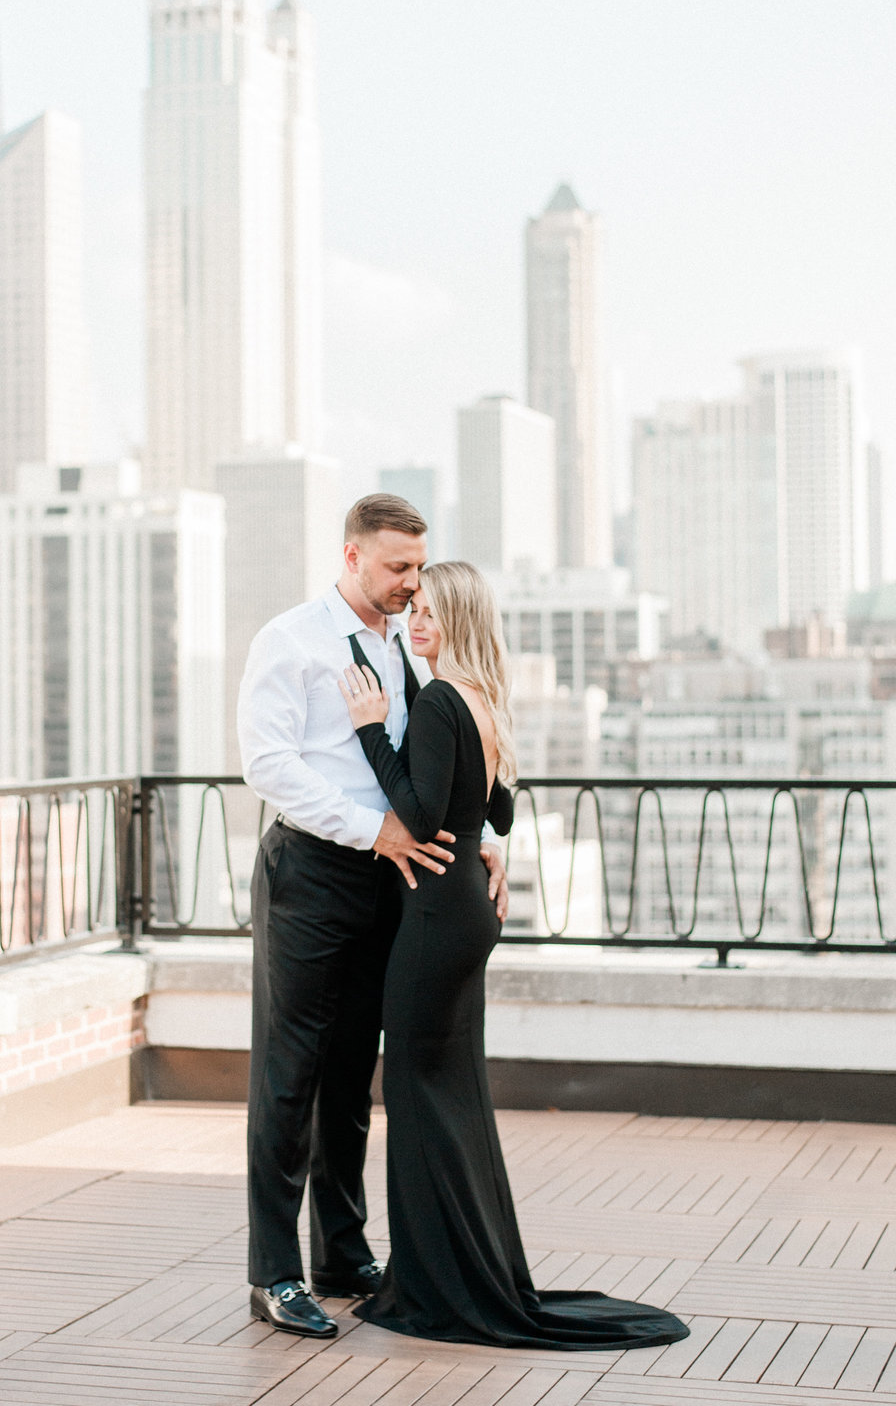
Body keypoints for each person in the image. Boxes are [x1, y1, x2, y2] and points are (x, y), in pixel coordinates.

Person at [338, 560, 690, 1349]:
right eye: (414, 610)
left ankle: (439, 1283)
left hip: (434, 918)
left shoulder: (434, 701)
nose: (415, 623)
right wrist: (483, 851)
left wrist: (368, 728)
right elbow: (492, 808)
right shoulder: (483, 702)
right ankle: (464, 1267)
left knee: (418, 1092)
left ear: (458, 621)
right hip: (468, 908)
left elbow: (422, 812)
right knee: (453, 1093)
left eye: (429, 613)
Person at [238, 496, 511, 1339]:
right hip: (313, 876)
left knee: (354, 1073)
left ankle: (343, 1253)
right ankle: (275, 1274)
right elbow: (267, 764)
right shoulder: (291, 640)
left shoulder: (412, 649)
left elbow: (449, 766)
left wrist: (482, 843)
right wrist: (374, 831)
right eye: (397, 568)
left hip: (393, 884)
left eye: (418, 569)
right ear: (352, 556)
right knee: (291, 1075)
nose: (410, 584)